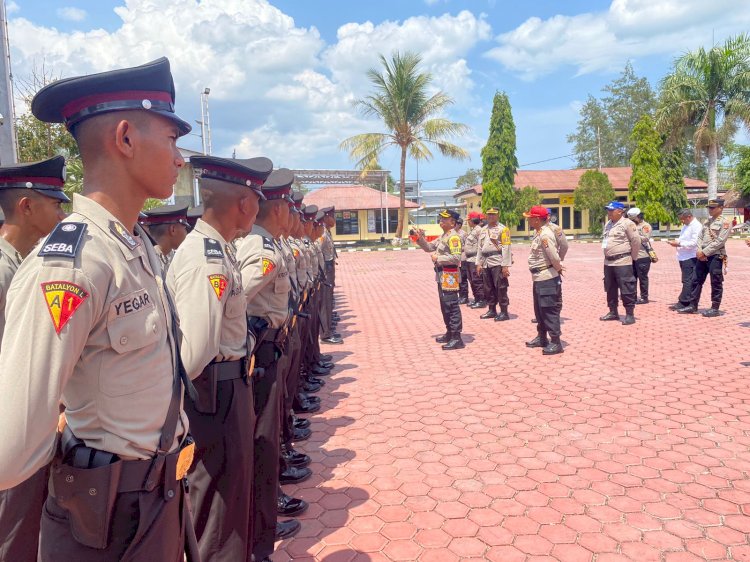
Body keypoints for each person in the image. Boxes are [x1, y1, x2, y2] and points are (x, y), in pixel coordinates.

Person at [0, 57, 198, 560]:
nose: (180, 158)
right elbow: (14, 443)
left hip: (155, 499)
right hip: (104, 520)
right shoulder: (72, 264)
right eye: (172, 139)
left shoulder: (136, 245)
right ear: (126, 138)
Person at [167, 155, 271, 561]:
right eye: (257, 201)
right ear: (245, 204)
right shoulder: (206, 257)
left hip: (227, 388)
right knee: (218, 509)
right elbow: (193, 354)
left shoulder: (218, 249)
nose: (258, 210)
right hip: (215, 394)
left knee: (231, 497)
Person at [0, 156, 68, 562]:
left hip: (33, 418)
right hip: (13, 421)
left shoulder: (25, 263)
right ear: (26, 207)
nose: (62, 213)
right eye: (54, 203)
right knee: (15, 531)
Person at [235, 169, 300, 561]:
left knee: (268, 433)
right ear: (277, 210)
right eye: (288, 208)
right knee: (261, 439)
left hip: (267, 348)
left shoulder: (268, 244)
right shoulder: (260, 249)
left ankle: (265, 517)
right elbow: (233, 300)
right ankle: (262, 524)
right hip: (258, 352)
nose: (293, 216)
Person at [415, 209, 464, 350]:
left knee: (452, 305)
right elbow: (429, 247)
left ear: (453, 222)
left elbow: (456, 258)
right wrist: (419, 238)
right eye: (440, 218)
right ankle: (449, 332)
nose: (441, 220)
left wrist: (439, 258)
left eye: (444, 219)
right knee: (445, 305)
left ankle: (456, 337)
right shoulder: (444, 236)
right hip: (442, 275)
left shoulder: (454, 237)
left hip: (450, 275)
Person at [677, 199, 731, 317]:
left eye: (712, 207)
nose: (710, 210)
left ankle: (715, 308)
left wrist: (705, 252)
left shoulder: (725, 222)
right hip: (703, 255)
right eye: (709, 208)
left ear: (721, 208)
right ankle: (693, 305)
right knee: (696, 280)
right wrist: (700, 250)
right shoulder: (707, 221)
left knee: (715, 281)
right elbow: (700, 237)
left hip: (715, 255)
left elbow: (720, 241)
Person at [523, 206, 564, 355]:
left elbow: (553, 256)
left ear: (536, 219)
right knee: (539, 310)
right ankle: (542, 338)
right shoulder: (538, 232)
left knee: (549, 310)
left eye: (530, 217)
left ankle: (556, 342)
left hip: (547, 277)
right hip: (539, 277)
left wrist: (558, 268)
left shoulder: (545, 234)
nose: (527, 219)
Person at [600, 201, 640, 325]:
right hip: (608, 262)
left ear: (620, 211)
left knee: (627, 287)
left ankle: (629, 314)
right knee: (610, 288)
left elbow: (636, 242)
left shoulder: (628, 223)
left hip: (623, 261)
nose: (609, 213)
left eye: (611, 210)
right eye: (608, 210)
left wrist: (631, 258)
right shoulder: (608, 224)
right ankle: (613, 311)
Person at [476, 208, 512, 321]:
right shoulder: (483, 230)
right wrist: (478, 262)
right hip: (486, 262)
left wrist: (505, 265)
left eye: (493, 214)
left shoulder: (503, 229)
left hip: (498, 261)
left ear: (498, 215)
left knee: (501, 287)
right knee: (488, 288)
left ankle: (504, 312)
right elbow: (480, 248)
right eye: (489, 214)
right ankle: (492, 310)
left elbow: (506, 248)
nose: (491, 216)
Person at [666, 209, 702, 311]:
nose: (682, 221)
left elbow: (695, 243)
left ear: (689, 217)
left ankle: (684, 302)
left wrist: (679, 244)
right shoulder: (687, 225)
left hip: (690, 256)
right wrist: (677, 241)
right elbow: (683, 238)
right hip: (683, 256)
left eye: (683, 219)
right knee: (685, 280)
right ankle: (685, 301)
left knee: (688, 280)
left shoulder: (696, 226)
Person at [139, 203, 190, 271]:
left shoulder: (167, 256)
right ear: (173, 230)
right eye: (185, 228)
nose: (186, 233)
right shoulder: (149, 260)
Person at [319, 206, 341, 344]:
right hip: (325, 269)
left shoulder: (327, 231)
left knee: (328, 299)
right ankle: (325, 334)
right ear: (326, 217)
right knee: (325, 301)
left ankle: (328, 328)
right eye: (332, 216)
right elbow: (317, 253)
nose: (334, 219)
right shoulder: (322, 233)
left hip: (329, 267)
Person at [626, 207, 653, 304]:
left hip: (642, 256)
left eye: (633, 218)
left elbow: (645, 238)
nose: (631, 220)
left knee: (643, 277)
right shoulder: (630, 225)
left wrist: (633, 236)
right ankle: (633, 296)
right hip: (632, 255)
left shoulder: (646, 226)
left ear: (638, 216)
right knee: (632, 277)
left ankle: (644, 297)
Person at [464, 212, 486, 308]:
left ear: (472, 220)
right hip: (469, 259)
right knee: (472, 280)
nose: (468, 222)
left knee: (477, 280)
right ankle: (476, 299)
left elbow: (482, 245)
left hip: (474, 259)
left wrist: (480, 261)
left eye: (468, 220)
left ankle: (481, 300)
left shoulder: (479, 230)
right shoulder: (473, 230)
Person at [455, 217, 469, 304]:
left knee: (463, 279)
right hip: (455, 259)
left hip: (462, 258)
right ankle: (460, 296)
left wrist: (458, 249)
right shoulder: (451, 234)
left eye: (455, 224)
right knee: (457, 279)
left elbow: (467, 246)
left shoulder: (463, 234)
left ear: (459, 225)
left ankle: (464, 297)